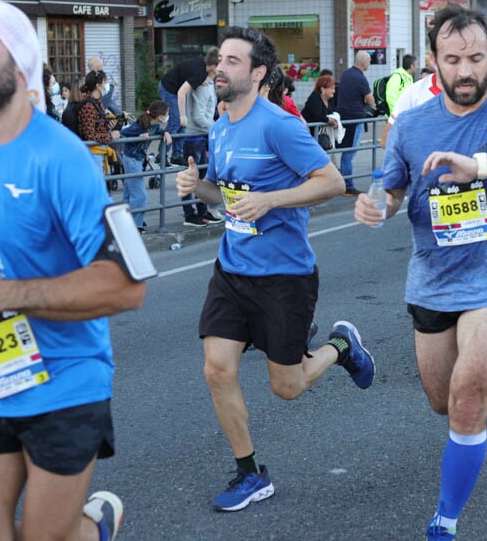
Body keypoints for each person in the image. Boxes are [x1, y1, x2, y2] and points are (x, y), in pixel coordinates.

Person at [0, 0, 144, 541]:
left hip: (64, 384)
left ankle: (90, 524)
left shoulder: (65, 158)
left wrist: (2, 293)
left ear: (19, 60)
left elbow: (128, 285)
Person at [355, 5, 487, 541]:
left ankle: (445, 520)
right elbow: (393, 186)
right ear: (434, 62)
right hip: (433, 276)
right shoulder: (409, 124)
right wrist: (377, 204)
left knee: (467, 395)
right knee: (441, 399)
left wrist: (482, 165)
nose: (466, 70)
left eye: (476, 58)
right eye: (453, 60)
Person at [173, 26, 375, 513]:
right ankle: (250, 473)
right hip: (232, 268)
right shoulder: (219, 126)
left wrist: (272, 199)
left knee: (287, 387)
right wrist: (196, 187)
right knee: (216, 369)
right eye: (219, 60)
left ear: (258, 72)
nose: (219, 68)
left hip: (284, 275)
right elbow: (228, 197)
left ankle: (342, 345)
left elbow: (331, 182)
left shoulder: (279, 125)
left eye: (232, 62)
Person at [180, 48, 222, 227]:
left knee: (203, 176)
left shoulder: (209, 85)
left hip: (201, 136)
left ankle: (202, 212)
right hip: (194, 136)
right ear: (214, 66)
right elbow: (198, 116)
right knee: (192, 177)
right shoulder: (203, 86)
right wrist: (216, 128)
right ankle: (190, 214)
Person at [120, 100, 172, 232]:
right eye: (166, 114)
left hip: (136, 160)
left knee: (129, 192)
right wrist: (138, 135)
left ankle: (127, 220)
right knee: (140, 194)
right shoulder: (140, 125)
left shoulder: (155, 125)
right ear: (160, 116)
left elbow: (160, 131)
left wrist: (165, 133)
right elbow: (125, 132)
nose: (167, 116)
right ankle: (136, 225)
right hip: (131, 160)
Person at [335, 50, 376, 195]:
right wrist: (373, 106)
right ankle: (348, 185)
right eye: (369, 61)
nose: (370, 63)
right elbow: (370, 99)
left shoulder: (346, 74)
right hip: (355, 117)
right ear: (364, 62)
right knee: (350, 153)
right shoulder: (360, 78)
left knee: (346, 151)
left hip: (344, 116)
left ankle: (345, 183)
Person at [159, 54, 210, 164]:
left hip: (177, 87)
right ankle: (161, 156)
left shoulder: (202, 63)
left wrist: (199, 80)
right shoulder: (200, 73)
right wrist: (182, 115)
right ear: (214, 66)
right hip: (169, 88)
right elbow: (181, 93)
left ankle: (177, 155)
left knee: (183, 124)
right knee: (176, 122)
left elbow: (190, 73)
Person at [77, 71, 121, 176]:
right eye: (105, 81)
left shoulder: (97, 101)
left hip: (99, 151)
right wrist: (110, 136)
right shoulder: (88, 105)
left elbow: (96, 126)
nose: (107, 84)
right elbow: (90, 135)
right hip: (93, 153)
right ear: (98, 85)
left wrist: (107, 126)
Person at [301, 74, 339, 148]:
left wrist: (335, 120)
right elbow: (317, 116)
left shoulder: (330, 99)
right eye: (331, 88)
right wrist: (328, 120)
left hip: (320, 134)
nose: (334, 91)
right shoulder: (315, 97)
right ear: (323, 89)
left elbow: (334, 111)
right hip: (309, 133)